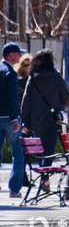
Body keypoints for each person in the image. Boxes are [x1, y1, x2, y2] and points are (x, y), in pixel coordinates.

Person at [20, 49, 69, 171]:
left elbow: (26, 101)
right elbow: (66, 96)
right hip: (53, 120)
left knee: (41, 150)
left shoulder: (33, 78)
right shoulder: (56, 76)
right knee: (49, 151)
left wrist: (24, 122)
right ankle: (45, 177)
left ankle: (44, 176)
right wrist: (60, 107)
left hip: (36, 121)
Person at [1, 42, 25, 198]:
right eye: (18, 53)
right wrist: (14, 119)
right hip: (9, 119)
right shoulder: (10, 73)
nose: (20, 56)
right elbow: (12, 98)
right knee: (18, 152)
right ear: (11, 55)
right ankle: (14, 188)